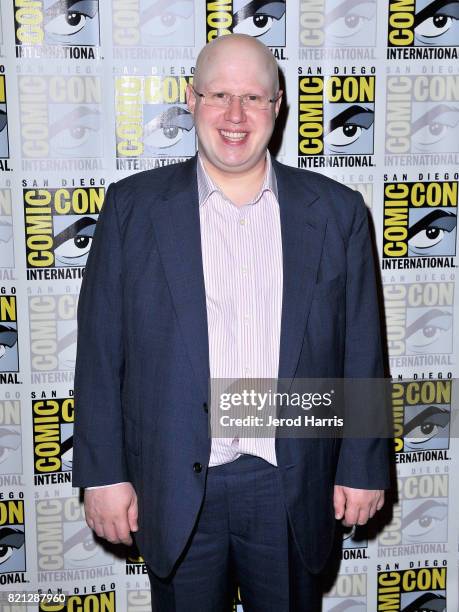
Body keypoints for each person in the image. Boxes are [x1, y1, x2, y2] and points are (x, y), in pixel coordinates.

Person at [72, 34, 389, 612]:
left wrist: (364, 465)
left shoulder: (338, 212)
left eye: (253, 97)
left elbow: (362, 348)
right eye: (219, 94)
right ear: (190, 100)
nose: (236, 115)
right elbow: (99, 352)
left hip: (288, 481)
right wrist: (102, 474)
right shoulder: (132, 208)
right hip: (173, 481)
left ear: (278, 106)